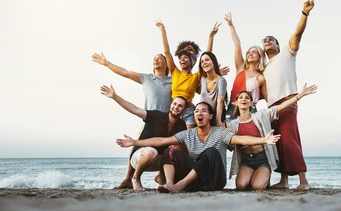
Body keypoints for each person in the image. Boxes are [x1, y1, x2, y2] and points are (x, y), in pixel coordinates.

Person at [116, 102, 280, 193]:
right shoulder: (188, 134)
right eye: (196, 111)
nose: (199, 113)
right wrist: (135, 142)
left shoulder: (220, 132)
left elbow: (241, 139)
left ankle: (180, 185)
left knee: (211, 152)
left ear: (209, 116)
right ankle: (171, 183)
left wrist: (264, 140)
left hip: (214, 180)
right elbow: (161, 140)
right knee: (171, 149)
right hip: (196, 181)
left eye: (203, 111)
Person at [92, 50, 172, 189]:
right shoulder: (146, 78)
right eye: (154, 58)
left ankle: (162, 179)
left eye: (160, 58)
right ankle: (129, 178)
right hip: (149, 120)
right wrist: (107, 63)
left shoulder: (173, 80)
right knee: (136, 144)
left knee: (165, 150)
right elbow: (125, 72)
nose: (156, 60)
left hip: (168, 123)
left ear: (167, 64)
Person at [262, 0, 318, 191]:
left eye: (271, 39)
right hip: (271, 108)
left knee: (290, 139)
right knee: (278, 143)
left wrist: (304, 13)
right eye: (264, 40)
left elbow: (297, 34)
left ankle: (303, 181)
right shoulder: (265, 68)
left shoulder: (287, 53)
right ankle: (284, 181)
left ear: (278, 45)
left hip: (288, 101)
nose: (267, 41)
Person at [227, 83, 317, 191]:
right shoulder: (232, 124)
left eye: (247, 98)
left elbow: (280, 107)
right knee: (241, 186)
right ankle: (254, 176)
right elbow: (231, 148)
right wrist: (229, 137)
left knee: (257, 187)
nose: (244, 99)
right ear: (236, 102)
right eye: (240, 98)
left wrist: (300, 95)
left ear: (251, 103)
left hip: (262, 159)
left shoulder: (261, 116)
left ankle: (263, 176)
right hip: (246, 161)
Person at [101, 84, 187, 191]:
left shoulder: (182, 125)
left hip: (159, 162)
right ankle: (135, 178)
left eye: (180, 106)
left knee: (177, 153)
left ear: (184, 110)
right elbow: (134, 109)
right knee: (151, 152)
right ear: (170, 105)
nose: (176, 107)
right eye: (174, 104)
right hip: (140, 157)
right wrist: (115, 96)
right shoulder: (156, 116)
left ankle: (162, 179)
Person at [157, 20, 224, 129]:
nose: (182, 60)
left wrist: (211, 37)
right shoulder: (175, 72)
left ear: (192, 61)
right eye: (180, 58)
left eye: (185, 58)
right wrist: (163, 31)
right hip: (175, 108)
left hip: (188, 110)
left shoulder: (196, 76)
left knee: (188, 136)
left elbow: (207, 56)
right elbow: (167, 53)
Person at [223, 12, 267, 120]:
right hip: (232, 109)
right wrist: (231, 25)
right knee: (229, 135)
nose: (249, 54)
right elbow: (237, 45)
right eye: (248, 52)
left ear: (260, 56)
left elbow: (268, 98)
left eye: (254, 52)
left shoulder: (261, 78)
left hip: (250, 111)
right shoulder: (241, 68)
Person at [198, 52, 227, 127]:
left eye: (207, 60)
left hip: (215, 115)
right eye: (202, 61)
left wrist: (218, 120)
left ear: (213, 62)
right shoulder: (202, 79)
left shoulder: (221, 81)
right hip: (202, 115)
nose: (204, 63)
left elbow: (220, 101)